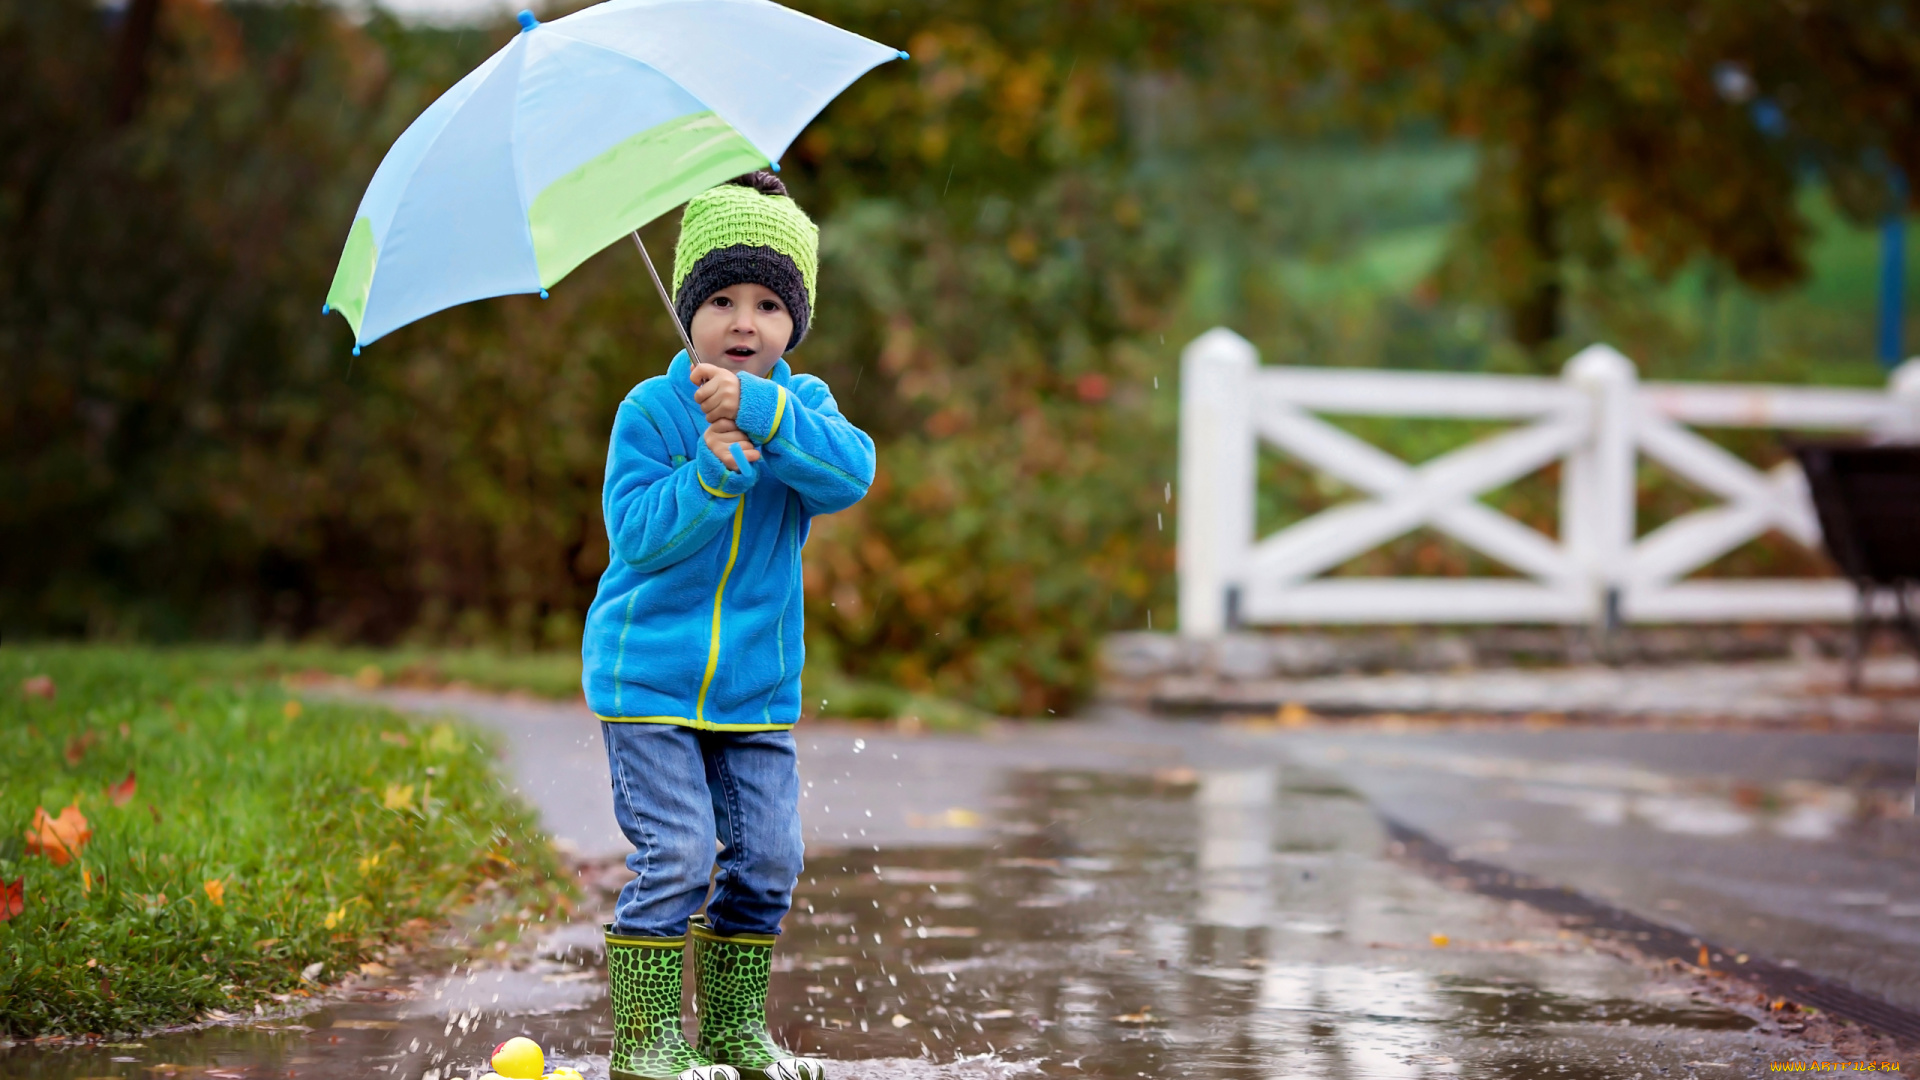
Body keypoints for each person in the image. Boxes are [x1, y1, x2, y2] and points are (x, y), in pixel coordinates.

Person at [581, 171, 875, 1080]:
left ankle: (732, 1033)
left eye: (768, 305)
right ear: (687, 309)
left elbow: (850, 474)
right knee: (676, 853)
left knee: (769, 859)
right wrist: (707, 475)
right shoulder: (652, 410)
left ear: (795, 322)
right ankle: (645, 1041)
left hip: (754, 687)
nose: (744, 323)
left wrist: (763, 413)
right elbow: (636, 535)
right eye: (720, 300)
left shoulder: (803, 407)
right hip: (648, 678)